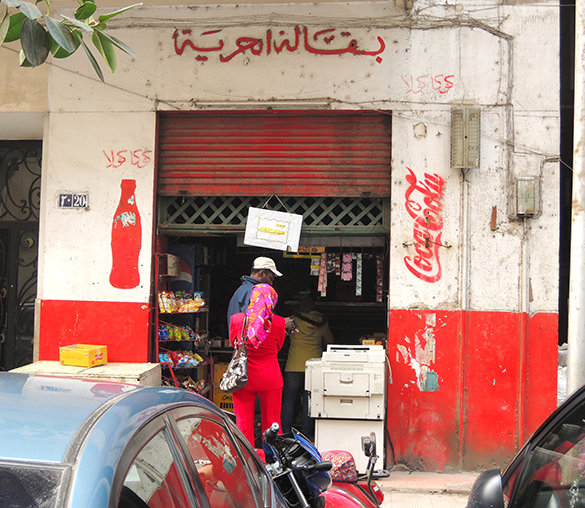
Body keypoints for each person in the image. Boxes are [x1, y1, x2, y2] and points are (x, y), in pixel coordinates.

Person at [230, 283, 286, 446]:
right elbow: (279, 346)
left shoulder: (237, 320)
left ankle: (247, 460)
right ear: (271, 301)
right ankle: (274, 458)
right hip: (270, 377)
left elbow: (234, 341)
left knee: (243, 422)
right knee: (273, 422)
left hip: (243, 377)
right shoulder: (279, 323)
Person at [281, 298, 334, 440]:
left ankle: (285, 431)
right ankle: (305, 433)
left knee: (289, 399)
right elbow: (330, 342)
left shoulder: (292, 320)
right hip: (313, 367)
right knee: (309, 400)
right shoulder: (321, 322)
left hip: (293, 365)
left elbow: (281, 339)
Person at [227, 256, 294, 331]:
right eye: (271, 278)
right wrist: (282, 322)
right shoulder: (254, 292)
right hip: (249, 342)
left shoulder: (243, 290)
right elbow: (255, 321)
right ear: (261, 273)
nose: (271, 283)